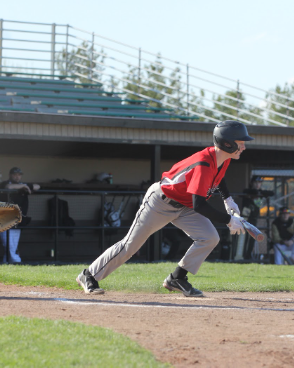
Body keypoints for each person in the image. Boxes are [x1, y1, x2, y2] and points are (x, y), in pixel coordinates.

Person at [76, 120, 253, 297]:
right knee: (130, 246)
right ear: (227, 143)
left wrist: (227, 198)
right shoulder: (204, 163)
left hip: (185, 205)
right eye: (241, 143)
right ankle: (89, 275)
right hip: (160, 203)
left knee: (210, 237)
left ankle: (177, 278)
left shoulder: (223, 158)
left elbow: (218, 177)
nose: (244, 147)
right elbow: (200, 204)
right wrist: (229, 220)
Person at [0, 167, 39, 263]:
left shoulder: (23, 185)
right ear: (10, 175)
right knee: (8, 245)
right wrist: (23, 187)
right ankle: (17, 262)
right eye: (15, 174)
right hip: (4, 219)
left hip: (17, 220)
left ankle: (7, 264)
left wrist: (25, 186)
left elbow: (38, 186)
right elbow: (8, 187)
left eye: (19, 175)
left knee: (12, 246)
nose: (17, 177)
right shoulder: (5, 183)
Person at [235, 176, 274, 260]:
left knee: (252, 238)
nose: (257, 184)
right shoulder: (248, 191)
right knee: (242, 239)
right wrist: (257, 193)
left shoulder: (260, 193)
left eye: (259, 183)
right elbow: (247, 191)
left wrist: (261, 193)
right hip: (245, 219)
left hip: (254, 219)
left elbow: (271, 193)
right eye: (255, 183)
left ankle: (248, 257)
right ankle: (239, 256)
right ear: (252, 183)